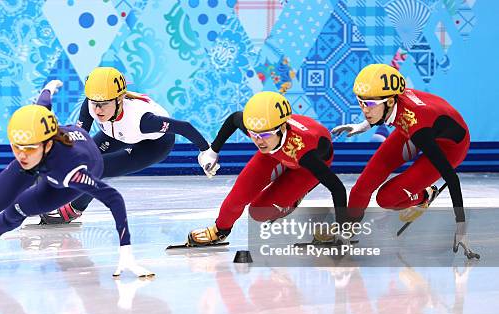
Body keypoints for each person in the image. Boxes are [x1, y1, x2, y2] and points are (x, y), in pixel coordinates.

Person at [0, 103, 153, 277]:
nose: (22, 155)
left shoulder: (71, 171)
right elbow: (44, 104)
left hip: (60, 185)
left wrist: (126, 249)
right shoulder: (32, 143)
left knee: (16, 210)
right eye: (17, 147)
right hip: (46, 158)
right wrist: (48, 89)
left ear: (48, 144)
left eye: (29, 148)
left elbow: (113, 198)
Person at [39, 67, 218, 224]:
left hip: (154, 145)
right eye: (94, 104)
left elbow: (184, 127)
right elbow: (79, 139)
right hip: (116, 133)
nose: (97, 110)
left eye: (103, 104)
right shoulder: (91, 103)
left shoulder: (143, 121)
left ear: (119, 100)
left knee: (100, 168)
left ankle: (74, 210)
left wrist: (206, 150)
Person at [187, 91, 348, 246]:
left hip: (306, 166)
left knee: (258, 212)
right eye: (254, 134)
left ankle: (294, 199)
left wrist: (342, 229)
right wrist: (213, 151)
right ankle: (219, 231)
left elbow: (338, 188)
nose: (259, 141)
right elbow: (235, 118)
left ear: (283, 128)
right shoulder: (262, 130)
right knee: (237, 197)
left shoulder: (306, 154)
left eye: (265, 135)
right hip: (276, 153)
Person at [332, 63, 469, 232]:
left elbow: (452, 179)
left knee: (387, 199)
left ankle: (426, 195)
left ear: (390, 101)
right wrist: (363, 125)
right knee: (361, 188)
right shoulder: (392, 101)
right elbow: (380, 111)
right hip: (420, 125)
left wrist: (461, 227)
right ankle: (346, 229)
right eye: (360, 102)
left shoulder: (417, 127)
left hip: (450, 148)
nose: (364, 110)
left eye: (368, 103)